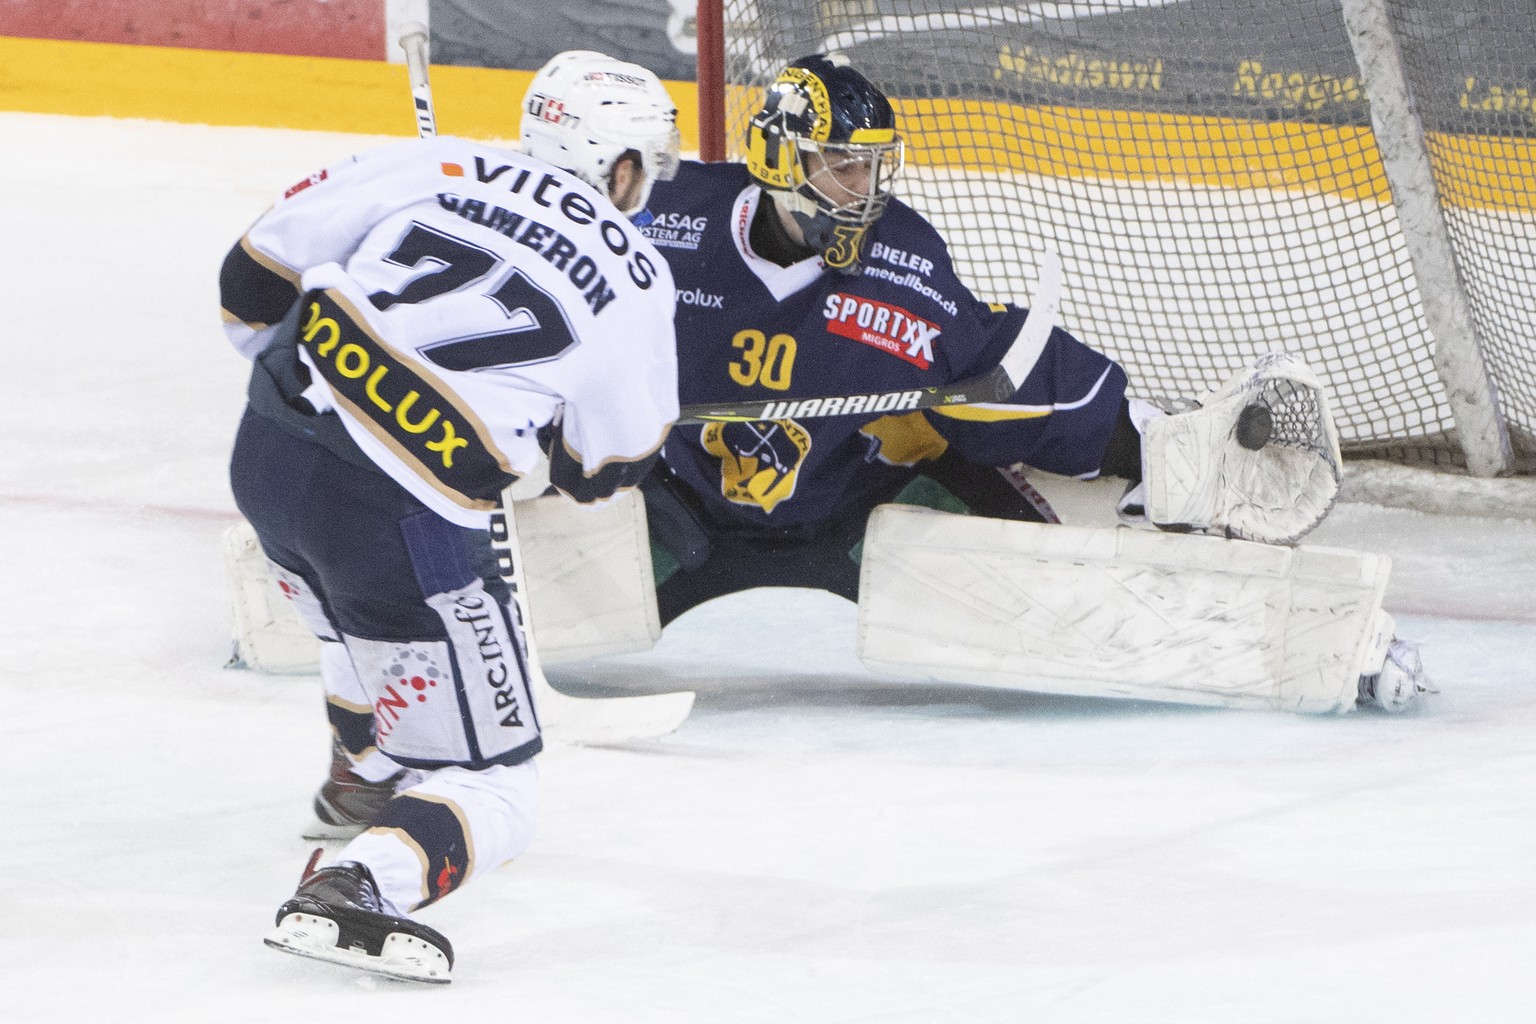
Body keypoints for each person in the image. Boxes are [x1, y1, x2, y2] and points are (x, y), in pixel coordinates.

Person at [219, 50, 681, 983]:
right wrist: (534, 423)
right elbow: (609, 469)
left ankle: (362, 774)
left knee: (338, 601)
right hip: (402, 516)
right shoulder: (638, 275)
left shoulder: (442, 163)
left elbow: (251, 278)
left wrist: (317, 390)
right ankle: (358, 884)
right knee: (499, 787)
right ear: (620, 166)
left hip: (266, 448)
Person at [635, 52, 1142, 625]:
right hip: (679, 510)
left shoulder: (905, 258)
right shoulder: (666, 220)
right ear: (782, 160)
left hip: (851, 514)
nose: (865, 188)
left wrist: (1143, 441)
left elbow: (993, 369)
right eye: (844, 165)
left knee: (1054, 597)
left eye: (874, 166)